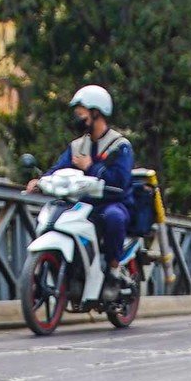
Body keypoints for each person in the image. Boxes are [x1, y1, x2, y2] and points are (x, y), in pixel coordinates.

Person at [24, 84, 135, 287]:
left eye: (80, 114)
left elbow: (119, 180)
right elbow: (60, 167)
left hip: (112, 202)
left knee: (114, 218)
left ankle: (113, 269)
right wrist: (41, 181)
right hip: (83, 203)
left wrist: (91, 167)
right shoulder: (77, 146)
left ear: (95, 113)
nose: (77, 118)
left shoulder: (120, 146)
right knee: (54, 218)